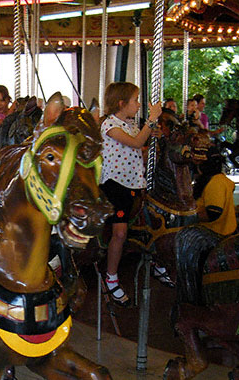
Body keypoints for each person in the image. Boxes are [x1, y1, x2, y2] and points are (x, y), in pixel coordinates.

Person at [100, 82, 162, 307]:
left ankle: (156, 260)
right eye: (135, 100)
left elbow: (139, 149)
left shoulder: (130, 125)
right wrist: (151, 120)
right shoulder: (110, 125)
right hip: (114, 185)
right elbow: (135, 143)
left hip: (133, 183)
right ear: (121, 103)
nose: (138, 105)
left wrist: (155, 137)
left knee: (151, 219)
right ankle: (112, 277)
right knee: (120, 232)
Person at [176, 147, 237, 305]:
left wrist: (187, 217)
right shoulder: (218, 180)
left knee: (185, 240)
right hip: (219, 229)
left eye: (197, 164)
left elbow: (213, 213)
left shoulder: (216, 183)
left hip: (215, 231)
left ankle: (193, 289)